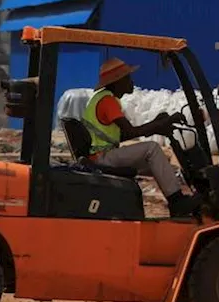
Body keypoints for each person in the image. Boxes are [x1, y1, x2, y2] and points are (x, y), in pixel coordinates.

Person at [80, 57, 196, 218]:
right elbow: (132, 132)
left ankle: (175, 198)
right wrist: (163, 123)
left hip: (101, 155)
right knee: (152, 148)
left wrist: (156, 124)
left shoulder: (103, 99)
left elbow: (125, 134)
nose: (131, 82)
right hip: (102, 157)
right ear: (118, 81)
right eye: (128, 78)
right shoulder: (108, 101)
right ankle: (177, 201)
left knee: (158, 162)